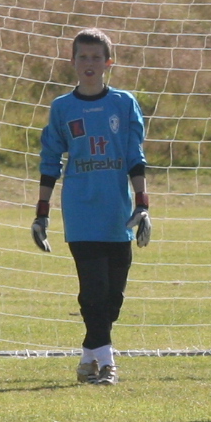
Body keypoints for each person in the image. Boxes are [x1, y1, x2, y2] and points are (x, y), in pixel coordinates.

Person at [31, 27, 150, 384]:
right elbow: (50, 160)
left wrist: (143, 205)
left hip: (118, 213)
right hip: (81, 211)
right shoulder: (62, 108)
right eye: (82, 56)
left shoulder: (123, 104)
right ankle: (108, 364)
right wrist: (42, 213)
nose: (89, 62)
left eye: (96, 57)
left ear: (108, 62)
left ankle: (88, 359)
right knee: (93, 290)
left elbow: (135, 156)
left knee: (113, 297)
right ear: (72, 61)